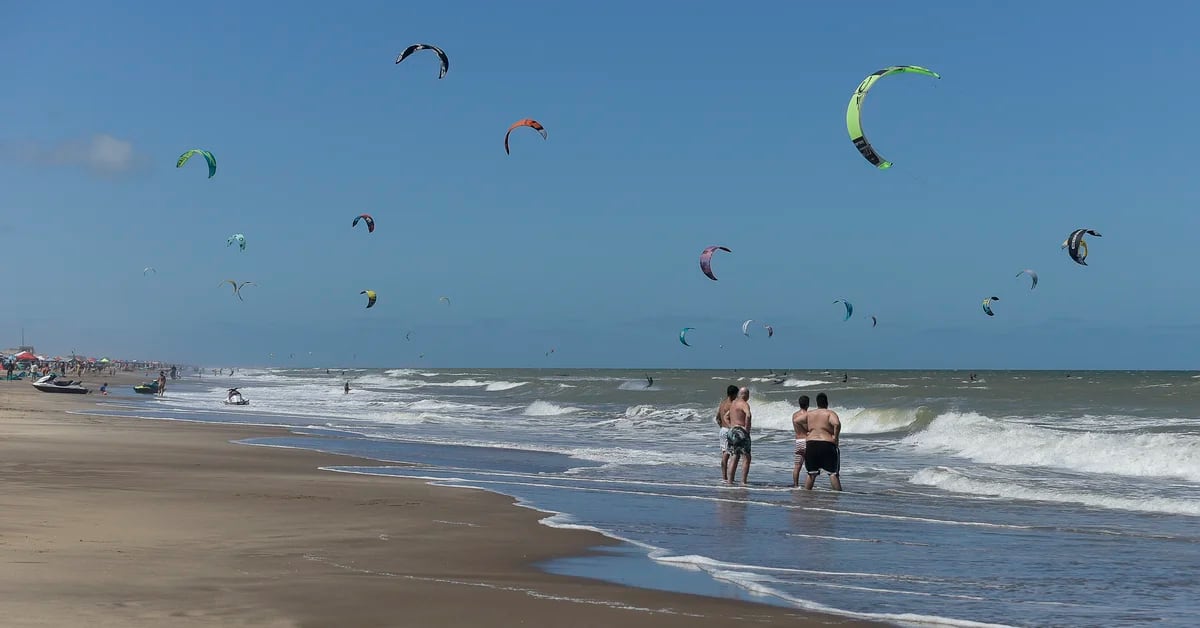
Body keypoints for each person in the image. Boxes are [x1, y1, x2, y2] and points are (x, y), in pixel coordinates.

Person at [803, 392, 842, 491]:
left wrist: (807, 431)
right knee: (833, 474)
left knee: (811, 473)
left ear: (817, 403)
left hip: (811, 444)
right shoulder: (829, 413)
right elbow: (836, 424)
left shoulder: (810, 414)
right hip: (826, 444)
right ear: (827, 403)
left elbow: (796, 421)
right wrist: (836, 439)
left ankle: (806, 495)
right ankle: (838, 496)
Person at [726, 387, 753, 484]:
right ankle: (743, 481)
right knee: (746, 457)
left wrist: (731, 427)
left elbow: (726, 417)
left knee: (734, 456)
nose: (748, 396)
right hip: (740, 431)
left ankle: (729, 481)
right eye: (748, 394)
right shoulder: (744, 404)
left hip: (732, 431)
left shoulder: (733, 403)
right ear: (744, 395)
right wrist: (747, 429)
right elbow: (748, 415)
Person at [715, 385, 738, 481]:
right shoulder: (731, 404)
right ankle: (726, 478)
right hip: (728, 430)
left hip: (722, 430)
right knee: (728, 454)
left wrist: (722, 427)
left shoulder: (722, 403)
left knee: (725, 453)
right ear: (733, 394)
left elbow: (717, 418)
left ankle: (725, 477)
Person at [791, 395, 810, 488]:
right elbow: (808, 428)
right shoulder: (807, 415)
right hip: (806, 441)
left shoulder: (794, 415)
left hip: (798, 441)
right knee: (810, 466)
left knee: (797, 465)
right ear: (808, 404)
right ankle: (808, 486)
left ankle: (795, 485)